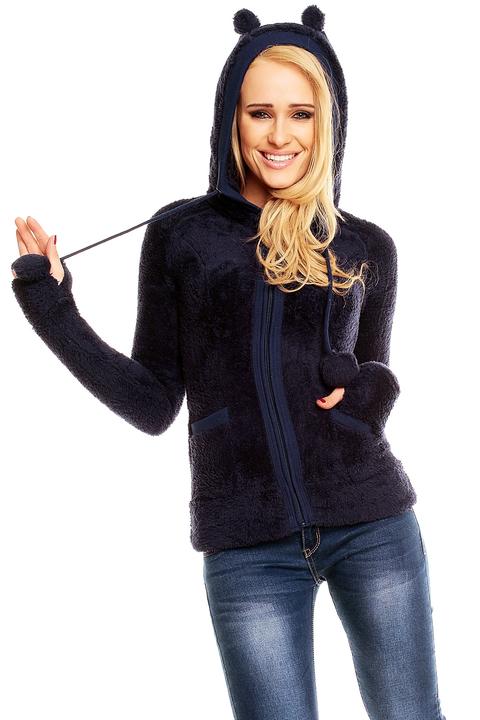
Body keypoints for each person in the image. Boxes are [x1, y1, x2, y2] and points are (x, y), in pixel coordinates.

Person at [11, 6, 447, 720]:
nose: (280, 135)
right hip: (247, 544)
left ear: (328, 123)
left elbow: (376, 374)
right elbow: (152, 403)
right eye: (260, 113)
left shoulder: (365, 246)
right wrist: (53, 309)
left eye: (301, 114)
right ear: (230, 119)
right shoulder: (182, 235)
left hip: (373, 523)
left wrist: (371, 393)